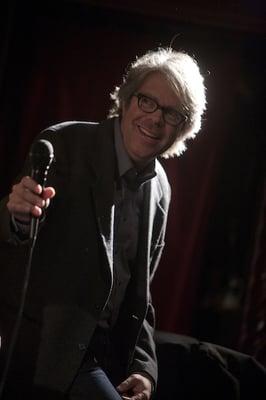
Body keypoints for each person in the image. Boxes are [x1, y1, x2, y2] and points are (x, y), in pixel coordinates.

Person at [0, 47, 206, 399]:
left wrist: (145, 369)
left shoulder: (161, 188)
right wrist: (17, 216)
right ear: (126, 100)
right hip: (44, 350)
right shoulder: (65, 143)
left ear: (183, 129)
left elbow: (140, 296)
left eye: (173, 113)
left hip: (107, 357)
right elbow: (17, 229)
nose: (156, 118)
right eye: (147, 102)